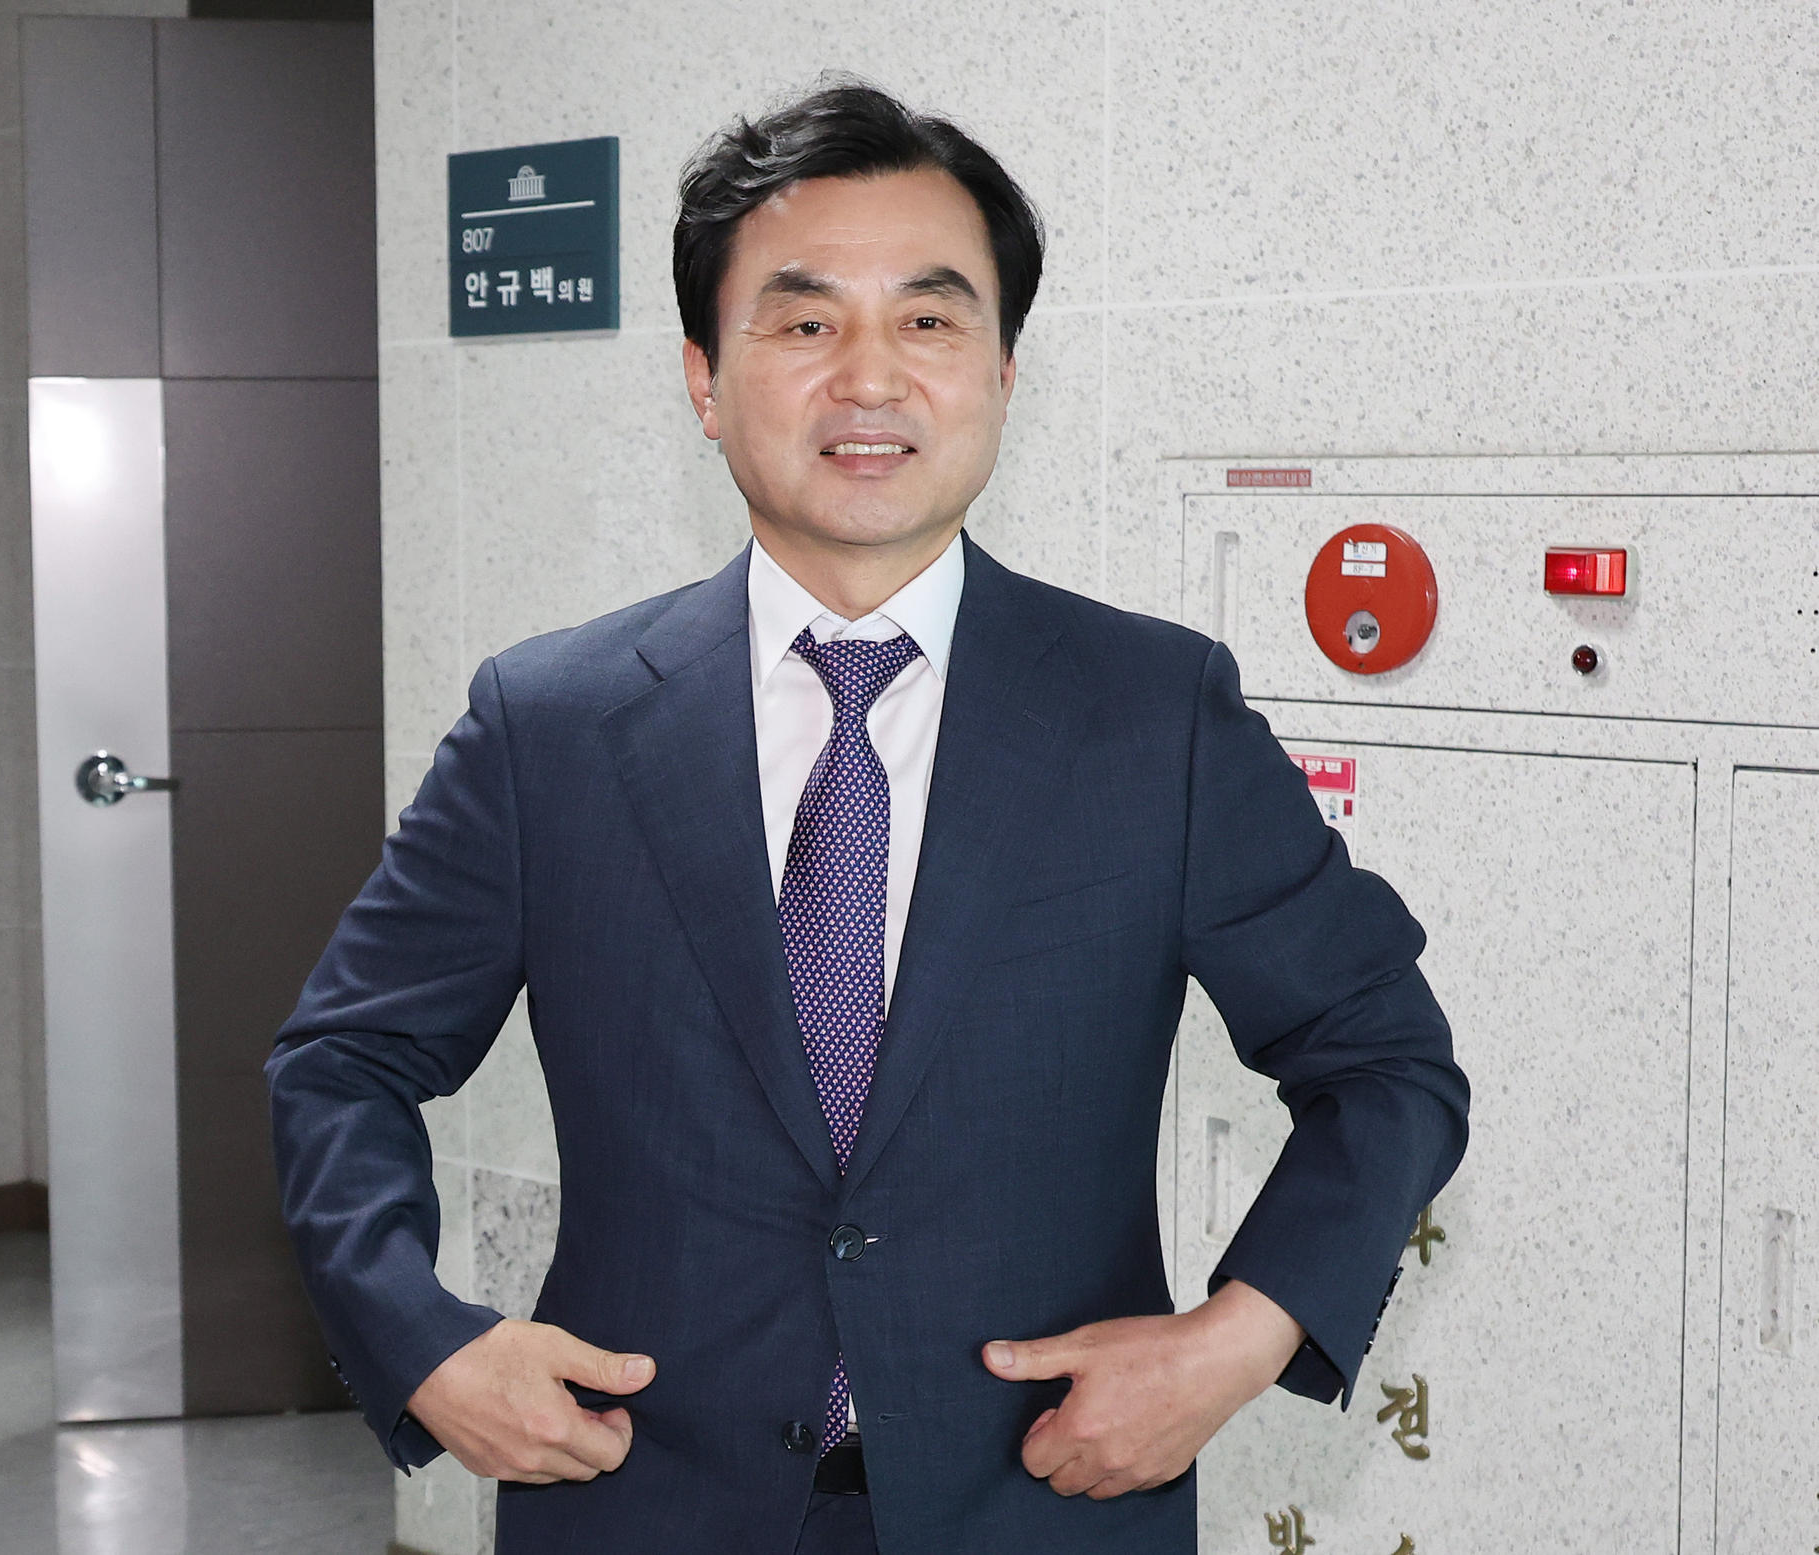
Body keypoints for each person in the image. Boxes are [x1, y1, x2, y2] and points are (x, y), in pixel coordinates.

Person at [266, 80, 1469, 1555]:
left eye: (930, 317)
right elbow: (342, 1062)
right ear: (705, 380)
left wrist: (1234, 1339)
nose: (870, 377)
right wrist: (426, 1344)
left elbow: (1387, 1062)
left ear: (1005, 370)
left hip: (1042, 1502)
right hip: (642, 1503)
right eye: (802, 318)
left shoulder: (1154, 714)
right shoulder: (552, 725)